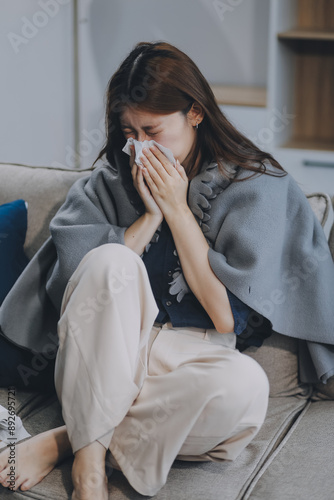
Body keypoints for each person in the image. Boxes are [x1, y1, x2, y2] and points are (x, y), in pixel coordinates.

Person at [0, 41, 333, 500]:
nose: (138, 147)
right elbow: (79, 292)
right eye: (128, 132)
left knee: (247, 386)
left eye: (152, 130)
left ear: (194, 113)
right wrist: (150, 216)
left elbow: (225, 319)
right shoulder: (105, 183)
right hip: (106, 351)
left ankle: (67, 440)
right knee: (112, 257)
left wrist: (177, 211)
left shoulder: (256, 186)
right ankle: (91, 471)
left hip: (189, 357)